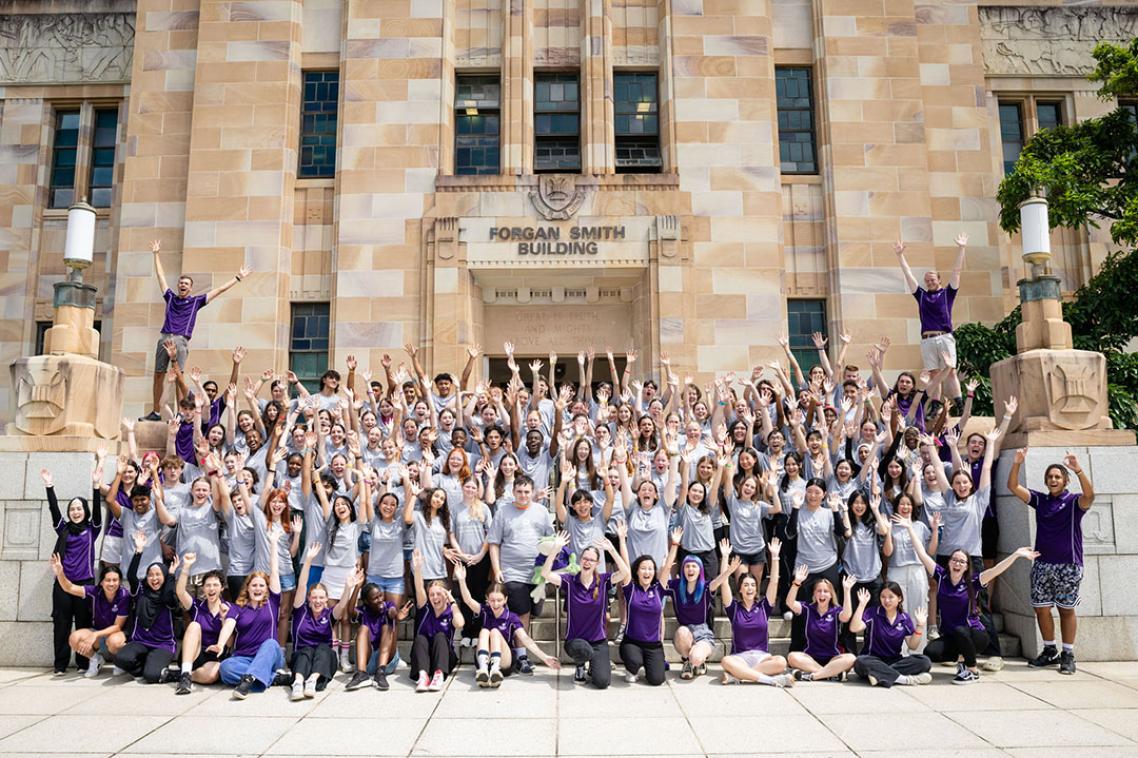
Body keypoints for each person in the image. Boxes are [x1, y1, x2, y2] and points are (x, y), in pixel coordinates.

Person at [901, 513, 1037, 684]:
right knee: (931, 652)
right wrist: (908, 528)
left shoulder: (973, 581)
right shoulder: (941, 576)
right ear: (949, 562)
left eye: (962, 562)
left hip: (976, 635)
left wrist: (1016, 555)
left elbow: (996, 570)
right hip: (952, 635)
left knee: (960, 631)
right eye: (954, 560)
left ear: (967, 566)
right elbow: (922, 553)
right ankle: (961, 661)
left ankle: (972, 670)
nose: (957, 564)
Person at [1007, 448, 1094, 675]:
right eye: (1050, 477)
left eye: (1057, 477)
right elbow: (1013, 487)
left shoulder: (1074, 501)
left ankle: (1068, 653)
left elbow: (1090, 496)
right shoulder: (1041, 500)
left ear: (1065, 481)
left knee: (1066, 610)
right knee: (1041, 609)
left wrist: (1079, 470)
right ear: (1046, 481)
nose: (1053, 479)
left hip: (1069, 565)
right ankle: (1049, 651)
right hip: (1042, 564)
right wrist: (1017, 462)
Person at [145, 238, 250, 420]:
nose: (183, 285)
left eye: (186, 283)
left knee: (179, 377)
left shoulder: (196, 301)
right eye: (181, 282)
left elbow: (218, 290)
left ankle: (180, 412)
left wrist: (237, 278)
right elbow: (161, 277)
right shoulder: (170, 297)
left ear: (191, 287)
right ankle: (155, 412)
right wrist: (156, 255)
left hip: (181, 339)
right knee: (158, 375)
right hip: (165, 337)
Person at [542, 531, 629, 689]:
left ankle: (593, 669)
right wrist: (555, 549)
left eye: (592, 560)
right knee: (583, 649)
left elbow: (625, 573)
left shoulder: (603, 581)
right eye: (585, 558)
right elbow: (545, 573)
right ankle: (580, 666)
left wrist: (612, 550)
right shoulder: (570, 581)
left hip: (598, 640)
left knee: (602, 682)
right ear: (580, 560)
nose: (587, 562)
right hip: (575, 641)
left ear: (597, 563)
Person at [453, 562, 560, 687]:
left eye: (499, 600)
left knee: (494, 631)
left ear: (506, 600)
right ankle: (483, 669)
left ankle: (495, 670)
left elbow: (525, 639)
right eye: (492, 600)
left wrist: (544, 657)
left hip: (503, 661)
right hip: (484, 658)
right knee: (484, 631)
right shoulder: (485, 611)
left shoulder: (511, 617)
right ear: (487, 599)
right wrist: (461, 580)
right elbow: (468, 600)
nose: (496, 604)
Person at [487, 474, 554, 670]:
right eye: (519, 492)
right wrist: (497, 569)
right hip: (512, 572)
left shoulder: (541, 511)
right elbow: (493, 543)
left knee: (535, 611)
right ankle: (522, 658)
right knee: (522, 613)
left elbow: (550, 541)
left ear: (532, 492)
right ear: (513, 492)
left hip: (537, 574)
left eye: (527, 492)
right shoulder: (503, 511)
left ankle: (516, 647)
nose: (523, 495)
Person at [212, 527, 288, 699]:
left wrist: (274, 543)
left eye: (261, 585)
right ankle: (267, 677)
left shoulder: (271, 602)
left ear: (267, 589)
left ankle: (249, 679)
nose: (258, 588)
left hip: (270, 656)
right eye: (254, 585)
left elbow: (274, 571)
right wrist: (221, 644)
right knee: (225, 668)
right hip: (244, 658)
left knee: (270, 643)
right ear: (248, 587)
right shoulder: (237, 608)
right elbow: (228, 626)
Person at [894, 234, 967, 409]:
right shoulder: (921, 296)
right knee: (934, 374)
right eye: (927, 280)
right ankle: (935, 405)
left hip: (944, 337)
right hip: (927, 339)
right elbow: (908, 274)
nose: (929, 282)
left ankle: (960, 403)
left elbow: (956, 271)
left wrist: (961, 248)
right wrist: (900, 255)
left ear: (939, 280)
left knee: (950, 372)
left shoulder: (948, 293)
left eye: (932, 279)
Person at [42, 466, 103, 674]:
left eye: (79, 508)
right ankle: (60, 665)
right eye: (72, 509)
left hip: (84, 585)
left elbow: (97, 514)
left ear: (84, 510)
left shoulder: (92, 529)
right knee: (61, 623)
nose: (75, 511)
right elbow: (53, 511)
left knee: (83, 624)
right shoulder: (63, 529)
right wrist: (49, 486)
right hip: (62, 583)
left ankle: (83, 662)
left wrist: (96, 487)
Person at [719, 538, 794, 687]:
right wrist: (726, 557)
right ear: (740, 589)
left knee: (781, 661)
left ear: (756, 588)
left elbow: (773, 582)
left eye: (753, 585)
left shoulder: (764, 607)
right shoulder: (733, 608)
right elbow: (724, 582)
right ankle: (771, 680)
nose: (750, 588)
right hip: (740, 657)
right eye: (746, 585)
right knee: (726, 661)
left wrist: (775, 556)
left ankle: (740, 675)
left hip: (762, 658)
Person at [287, 544, 358, 700]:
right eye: (314, 597)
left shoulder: (329, 614)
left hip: (322, 664)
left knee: (325, 649)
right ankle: (298, 684)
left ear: (326, 599)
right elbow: (302, 585)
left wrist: (347, 588)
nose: (317, 601)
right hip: (301, 661)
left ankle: (312, 681)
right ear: (309, 599)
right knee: (306, 651)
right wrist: (308, 560)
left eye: (321, 598)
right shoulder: (301, 610)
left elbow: (341, 605)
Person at [113, 531, 181, 683]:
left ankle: (163, 672)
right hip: (140, 641)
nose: (154, 578)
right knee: (120, 658)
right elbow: (131, 576)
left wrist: (171, 574)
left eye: (158, 575)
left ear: (164, 577)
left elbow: (167, 597)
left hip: (163, 645)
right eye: (151, 575)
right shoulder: (141, 591)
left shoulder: (168, 595)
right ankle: (144, 670)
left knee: (151, 677)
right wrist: (138, 551)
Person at [666, 528, 733, 679]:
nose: (690, 569)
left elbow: (721, 579)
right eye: (687, 566)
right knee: (682, 632)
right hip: (685, 632)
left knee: (696, 657)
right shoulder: (676, 586)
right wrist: (673, 548)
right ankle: (687, 662)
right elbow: (662, 581)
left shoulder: (706, 587)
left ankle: (697, 660)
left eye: (694, 566)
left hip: (703, 632)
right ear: (683, 569)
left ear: (700, 570)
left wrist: (725, 557)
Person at [47, 556, 128, 678]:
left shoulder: (124, 595)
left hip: (115, 635)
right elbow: (69, 587)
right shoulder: (95, 592)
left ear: (120, 582)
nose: (112, 583)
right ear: (101, 582)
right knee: (74, 638)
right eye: (108, 580)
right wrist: (60, 573)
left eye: (115, 580)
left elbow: (117, 627)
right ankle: (96, 660)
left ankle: (119, 662)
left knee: (114, 641)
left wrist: (95, 634)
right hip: (98, 634)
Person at [850, 582, 933, 687]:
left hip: (894, 661)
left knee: (924, 661)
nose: (886, 600)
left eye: (890, 597)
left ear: (899, 598)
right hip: (872, 659)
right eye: (883, 597)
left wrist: (920, 626)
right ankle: (905, 679)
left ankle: (878, 675)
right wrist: (862, 605)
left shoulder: (904, 618)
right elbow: (854, 628)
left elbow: (913, 646)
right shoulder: (873, 612)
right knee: (860, 661)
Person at [616, 524, 668, 685]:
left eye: (650, 569)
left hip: (653, 645)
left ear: (654, 572)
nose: (647, 572)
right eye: (643, 568)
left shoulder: (658, 589)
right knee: (633, 660)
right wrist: (622, 540)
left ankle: (649, 663)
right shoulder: (631, 589)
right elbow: (624, 565)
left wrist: (674, 545)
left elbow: (666, 569)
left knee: (657, 680)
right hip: (632, 642)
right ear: (637, 571)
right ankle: (632, 668)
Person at [786, 566, 856, 682]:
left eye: (826, 591)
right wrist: (796, 583)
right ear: (814, 594)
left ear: (831, 595)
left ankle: (814, 675)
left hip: (833, 658)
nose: (822, 594)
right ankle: (829, 674)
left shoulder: (836, 611)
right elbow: (790, 603)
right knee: (792, 657)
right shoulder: (808, 608)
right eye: (819, 591)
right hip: (810, 658)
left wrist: (847, 590)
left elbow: (847, 616)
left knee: (851, 658)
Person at [408, 549, 465, 692]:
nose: (435, 597)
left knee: (440, 636)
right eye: (432, 594)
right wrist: (418, 569)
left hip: (444, 659)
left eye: (439, 593)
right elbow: (419, 587)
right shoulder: (425, 608)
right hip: (424, 658)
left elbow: (460, 623)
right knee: (420, 638)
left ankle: (438, 676)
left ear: (446, 595)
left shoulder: (450, 610)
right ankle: (423, 676)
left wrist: (452, 601)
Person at [172, 552, 227, 694]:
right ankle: (185, 675)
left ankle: (180, 676)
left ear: (222, 588)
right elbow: (180, 592)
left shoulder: (228, 609)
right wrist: (186, 567)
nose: (211, 589)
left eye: (215, 585)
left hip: (214, 657)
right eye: (208, 585)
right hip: (194, 654)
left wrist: (223, 619)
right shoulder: (197, 606)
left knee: (212, 675)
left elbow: (231, 643)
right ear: (203, 588)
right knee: (194, 625)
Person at [344, 582, 411, 691]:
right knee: (363, 628)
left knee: (387, 627)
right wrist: (356, 587)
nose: (380, 599)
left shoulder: (388, 605)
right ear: (366, 601)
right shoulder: (363, 611)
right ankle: (361, 674)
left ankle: (380, 673)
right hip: (368, 662)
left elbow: (392, 612)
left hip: (387, 661)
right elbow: (350, 611)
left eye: (380, 595)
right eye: (375, 598)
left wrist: (398, 616)